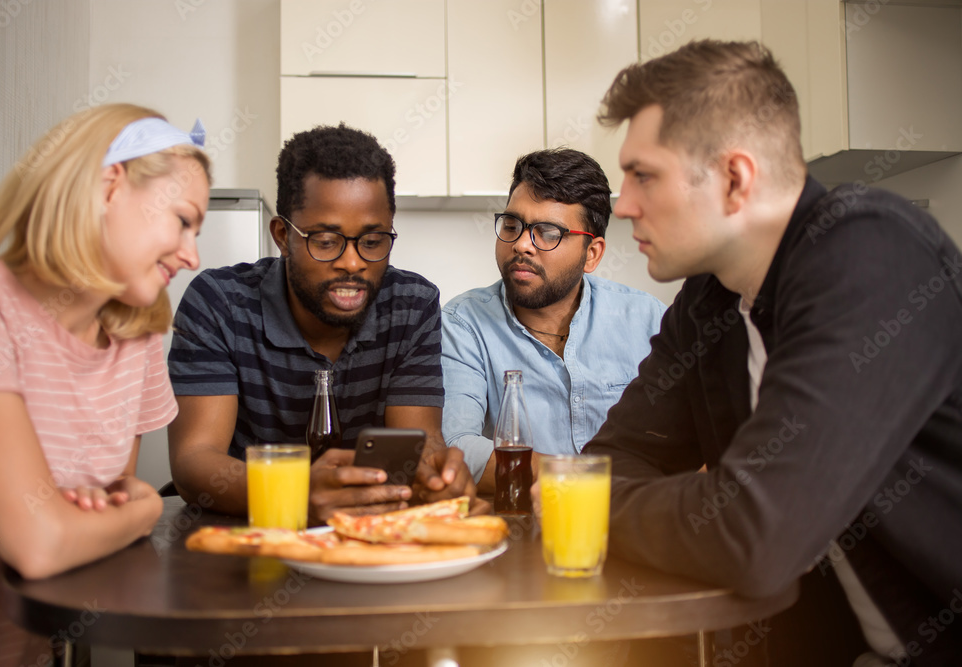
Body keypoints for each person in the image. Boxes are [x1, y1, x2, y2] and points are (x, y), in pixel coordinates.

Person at [577, 40, 962, 666]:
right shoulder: (708, 299)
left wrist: (586, 508)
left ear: (735, 179)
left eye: (643, 174)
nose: (622, 204)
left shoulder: (871, 255)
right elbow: (613, 460)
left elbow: (757, 535)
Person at [0, 103, 210, 665]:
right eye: (182, 220)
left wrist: (116, 513)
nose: (192, 255)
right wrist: (146, 509)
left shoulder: (139, 334)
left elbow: (101, 517)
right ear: (107, 188)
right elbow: (42, 544)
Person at [168, 123, 478, 525]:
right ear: (282, 236)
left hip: (362, 539)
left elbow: (420, 446)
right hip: (247, 540)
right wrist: (293, 493)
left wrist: (441, 477)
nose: (353, 263)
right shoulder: (219, 303)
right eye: (327, 241)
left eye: (372, 241)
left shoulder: (411, 306)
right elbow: (194, 463)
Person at [441, 148, 666, 490]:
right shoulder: (463, 323)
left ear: (592, 254)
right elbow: (457, 446)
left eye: (548, 232)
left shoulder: (648, 320)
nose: (521, 245)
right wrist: (582, 484)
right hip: (519, 524)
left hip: (634, 522)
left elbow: (694, 437)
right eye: (513, 225)